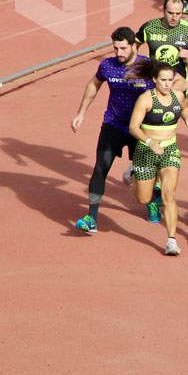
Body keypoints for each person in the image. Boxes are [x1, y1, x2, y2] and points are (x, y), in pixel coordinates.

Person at [71, 27, 153, 233]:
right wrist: (81, 113)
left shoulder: (148, 66)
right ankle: (92, 218)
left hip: (140, 128)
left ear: (135, 45)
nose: (119, 53)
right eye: (116, 48)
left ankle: (151, 202)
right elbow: (93, 84)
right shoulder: (107, 65)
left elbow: (170, 86)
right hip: (113, 125)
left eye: (124, 48)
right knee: (100, 168)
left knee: (145, 176)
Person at [127, 62, 188, 255]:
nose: (167, 84)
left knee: (169, 196)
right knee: (144, 198)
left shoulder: (178, 96)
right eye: (163, 80)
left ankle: (172, 241)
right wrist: (150, 142)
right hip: (146, 151)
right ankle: (133, 174)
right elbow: (133, 127)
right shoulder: (146, 99)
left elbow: (184, 109)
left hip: (170, 150)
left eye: (170, 80)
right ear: (154, 80)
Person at [135, 0, 188, 95]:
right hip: (153, 85)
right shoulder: (149, 27)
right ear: (163, 10)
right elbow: (134, 44)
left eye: (178, 14)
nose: (174, 17)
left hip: (177, 87)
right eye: (170, 13)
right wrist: (137, 63)